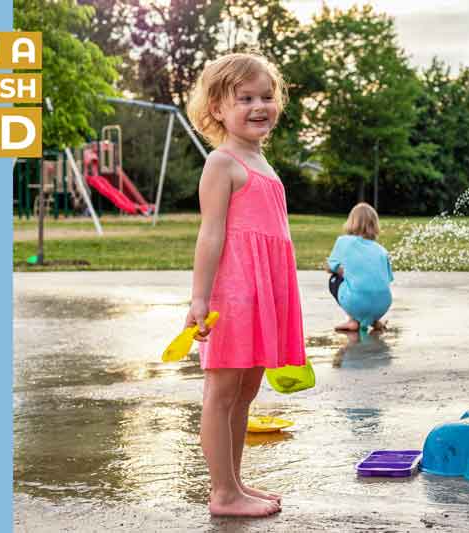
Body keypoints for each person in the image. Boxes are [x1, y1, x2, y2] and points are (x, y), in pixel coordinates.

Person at [184, 52, 306, 518]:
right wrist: (200, 298)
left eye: (267, 96)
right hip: (233, 294)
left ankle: (233, 482)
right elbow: (210, 234)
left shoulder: (261, 161)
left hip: (263, 292)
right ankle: (221, 492)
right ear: (217, 108)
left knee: (245, 393)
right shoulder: (222, 163)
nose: (260, 106)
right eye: (245, 99)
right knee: (221, 393)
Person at [326, 203, 394, 332]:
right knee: (371, 288)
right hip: (383, 306)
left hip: (358, 304)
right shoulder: (382, 250)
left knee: (334, 279)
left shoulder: (344, 241)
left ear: (351, 222)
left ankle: (352, 320)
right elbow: (387, 280)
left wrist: (342, 271)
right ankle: (374, 320)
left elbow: (331, 267)